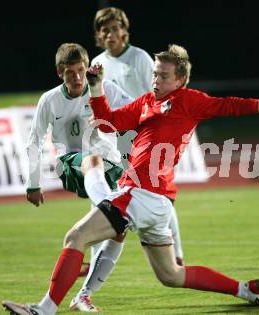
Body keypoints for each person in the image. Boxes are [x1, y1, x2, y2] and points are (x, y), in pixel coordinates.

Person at [2, 44, 259, 315]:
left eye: (163, 76)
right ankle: (248, 290)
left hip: (140, 195)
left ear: (180, 80)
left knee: (76, 238)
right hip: (154, 201)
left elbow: (232, 105)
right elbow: (108, 124)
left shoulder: (189, 100)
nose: (156, 80)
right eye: (154, 74)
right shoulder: (145, 104)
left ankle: (43, 310)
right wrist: (96, 88)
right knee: (172, 276)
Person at [69, 7, 185, 313]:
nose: (110, 34)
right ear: (98, 35)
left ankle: (178, 255)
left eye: (115, 28)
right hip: (114, 140)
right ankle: (90, 271)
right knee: (110, 205)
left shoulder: (141, 58)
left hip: (143, 137)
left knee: (152, 196)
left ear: (125, 30)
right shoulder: (97, 64)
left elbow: (156, 95)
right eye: (104, 30)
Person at [24, 41, 132, 281]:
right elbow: (35, 142)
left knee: (114, 230)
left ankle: (87, 291)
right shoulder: (50, 100)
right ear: (60, 73)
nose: (77, 77)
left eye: (81, 70)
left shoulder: (105, 89)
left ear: (88, 68)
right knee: (96, 173)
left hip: (108, 161)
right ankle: (107, 205)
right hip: (70, 163)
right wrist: (32, 184)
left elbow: (135, 112)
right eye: (70, 72)